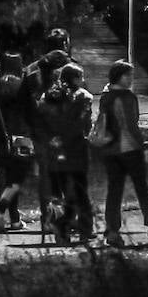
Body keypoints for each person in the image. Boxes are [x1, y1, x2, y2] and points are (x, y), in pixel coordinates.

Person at [96, 60, 148, 247]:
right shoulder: (126, 97)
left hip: (109, 150)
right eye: (128, 75)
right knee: (141, 187)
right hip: (128, 148)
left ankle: (112, 231)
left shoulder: (106, 96)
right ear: (119, 76)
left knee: (114, 191)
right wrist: (144, 145)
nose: (131, 79)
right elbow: (130, 125)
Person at [37, 62, 94, 244]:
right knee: (80, 192)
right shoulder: (83, 98)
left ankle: (59, 228)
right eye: (81, 76)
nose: (83, 80)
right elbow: (83, 125)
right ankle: (84, 229)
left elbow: (41, 123)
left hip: (54, 152)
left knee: (57, 193)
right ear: (75, 78)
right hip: (75, 150)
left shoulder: (48, 97)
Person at [21, 45, 72, 227]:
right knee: (59, 176)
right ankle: (59, 218)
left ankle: (51, 218)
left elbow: (26, 105)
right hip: (52, 134)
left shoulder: (32, 73)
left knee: (48, 177)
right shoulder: (52, 80)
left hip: (40, 133)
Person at [0, 52, 30, 231]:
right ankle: (0, 210)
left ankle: (15, 218)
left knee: (12, 178)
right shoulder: (19, 85)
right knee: (17, 178)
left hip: (0, 138)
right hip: (19, 136)